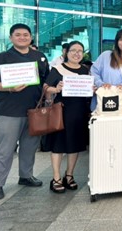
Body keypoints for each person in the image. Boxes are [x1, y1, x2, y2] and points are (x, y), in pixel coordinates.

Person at [0, 23, 50, 200]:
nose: (22, 37)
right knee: (5, 149)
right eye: (18, 35)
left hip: (34, 111)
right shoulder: (2, 57)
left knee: (30, 146)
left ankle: (26, 175)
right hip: (9, 111)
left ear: (31, 37)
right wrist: (9, 87)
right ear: (11, 38)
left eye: (25, 35)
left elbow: (45, 81)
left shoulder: (40, 57)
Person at [43, 41, 92, 193]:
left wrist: (92, 88)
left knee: (75, 145)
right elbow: (46, 88)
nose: (77, 53)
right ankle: (56, 178)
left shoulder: (85, 70)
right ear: (66, 52)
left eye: (80, 51)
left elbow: (88, 90)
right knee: (58, 145)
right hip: (61, 112)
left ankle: (69, 175)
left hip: (79, 113)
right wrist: (55, 88)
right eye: (73, 50)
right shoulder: (57, 69)